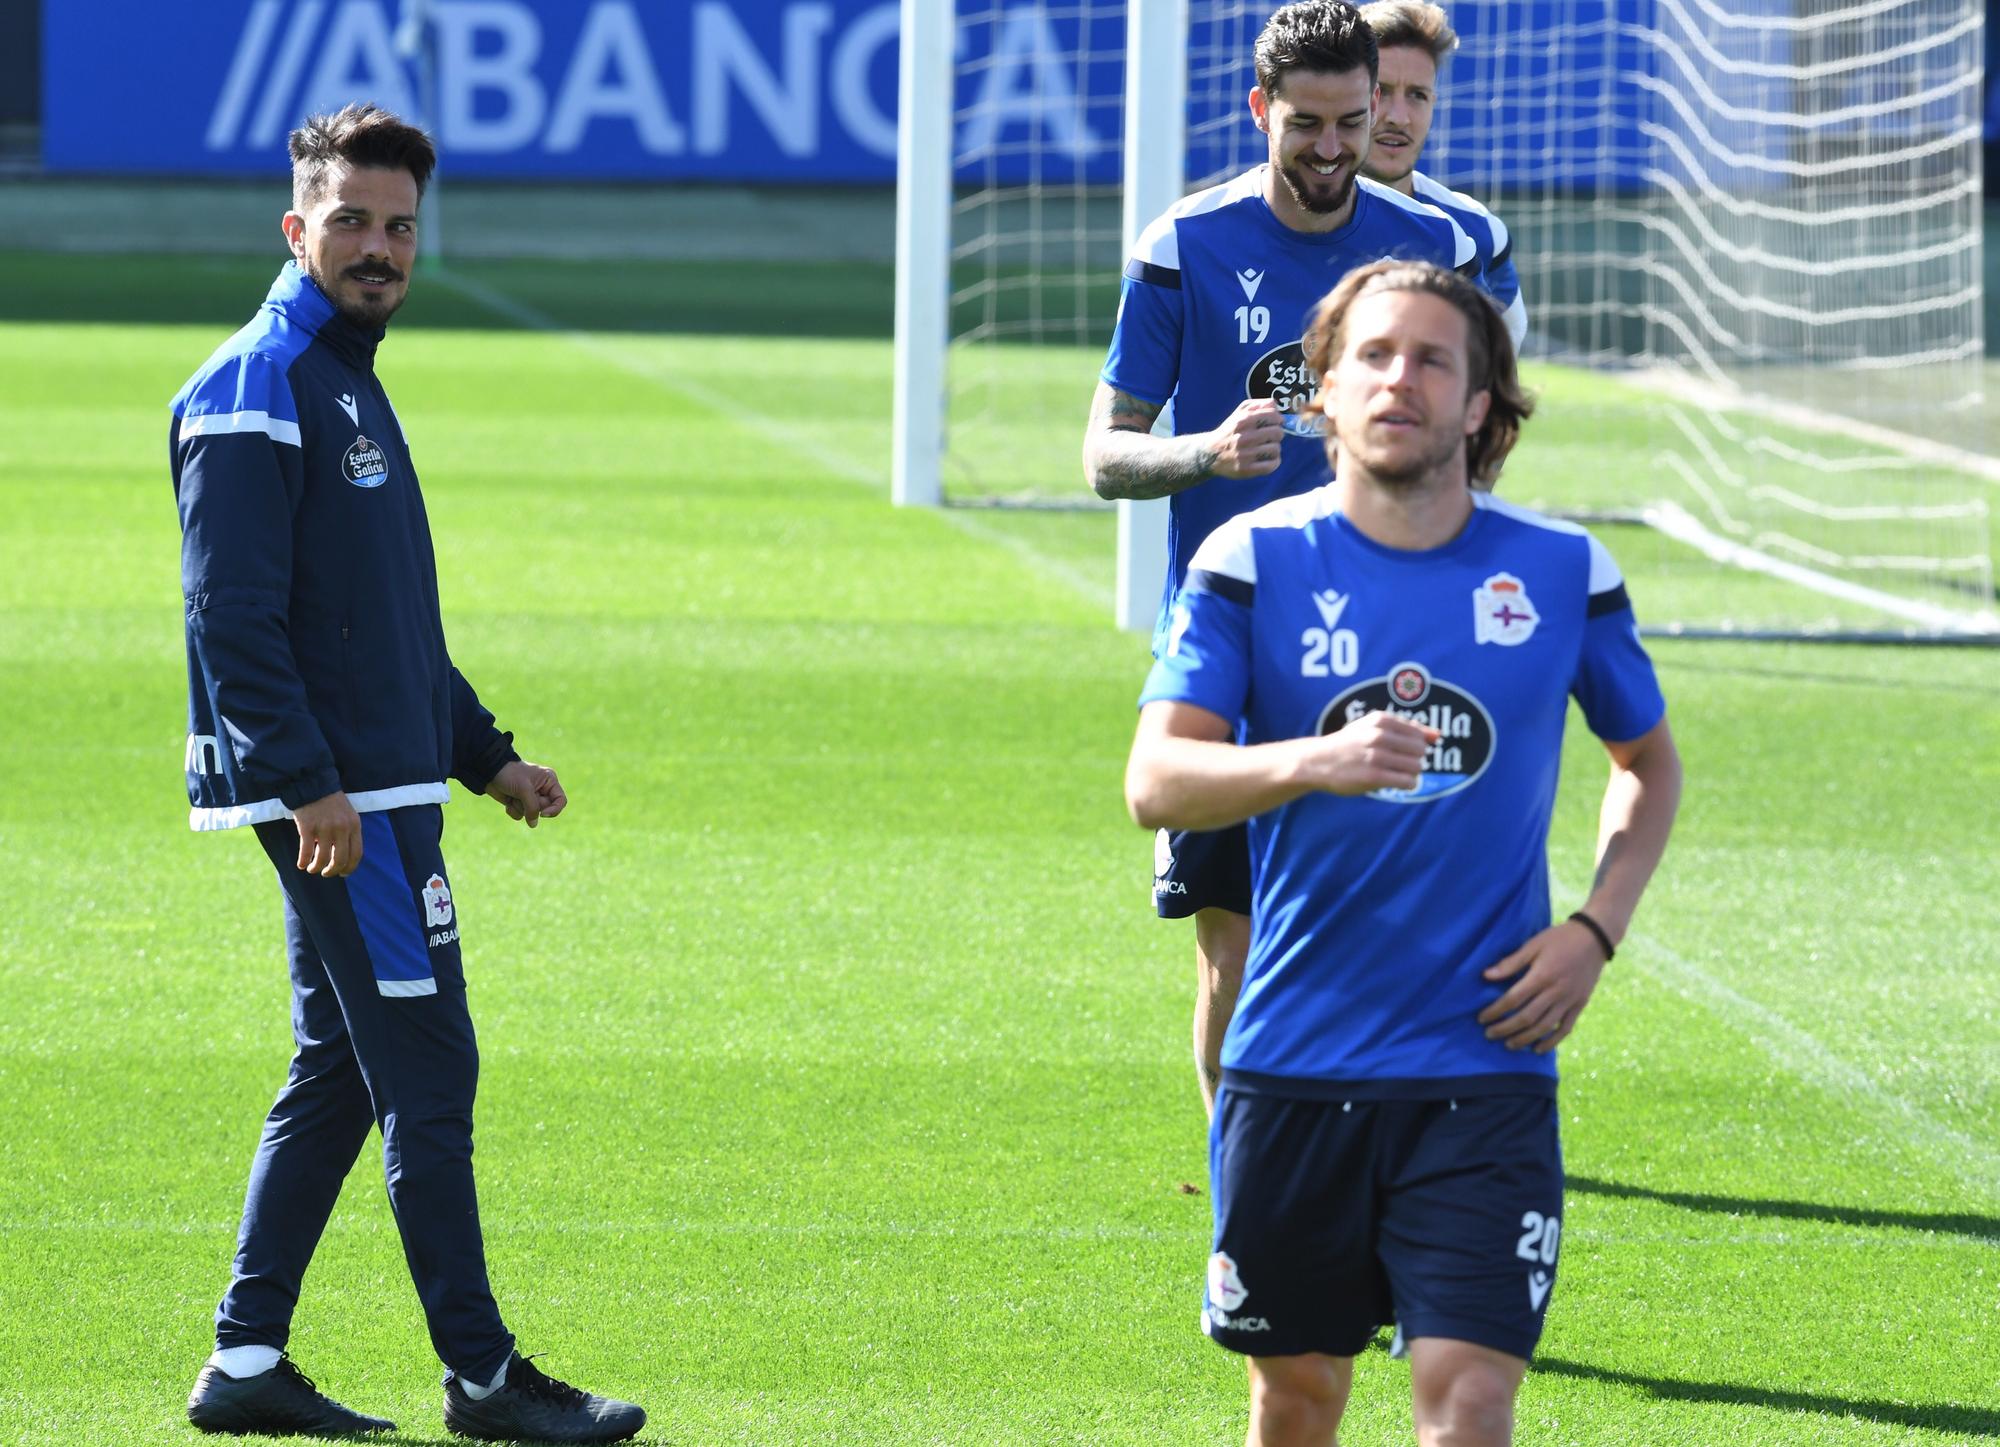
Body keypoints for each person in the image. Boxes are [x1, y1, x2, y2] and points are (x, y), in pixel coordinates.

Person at [1124, 259, 1681, 1447]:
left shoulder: (1560, 570)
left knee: (1469, 1401)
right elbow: (1155, 782)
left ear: (1481, 403)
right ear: (1322, 391)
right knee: (1298, 1396)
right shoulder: (1249, 562)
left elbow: (1646, 763)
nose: (1400, 380)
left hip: (1483, 1066)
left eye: (1435, 359)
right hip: (1293, 1060)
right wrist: (1305, 762)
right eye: (1372, 356)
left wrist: (1593, 932)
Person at [170, 103, 644, 1444]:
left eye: (399, 227)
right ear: (294, 226)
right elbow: (234, 615)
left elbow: (383, 624)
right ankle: (486, 1376)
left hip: (377, 784)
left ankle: (247, 1355)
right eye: (352, 223)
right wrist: (308, 780)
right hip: (349, 810)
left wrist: (485, 754)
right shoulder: (257, 385)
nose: (380, 249)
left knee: (343, 1065)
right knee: (432, 1067)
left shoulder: (342, 375)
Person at [1083, 0, 1481, 1119]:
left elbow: (1474, 434)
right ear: (1259, 108)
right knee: (1234, 957)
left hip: (1388, 639)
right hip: (1228, 649)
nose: (1328, 148)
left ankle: (1379, 1177)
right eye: (1303, 122)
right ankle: (1244, 1202)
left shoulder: (1429, 250)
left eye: (1349, 122)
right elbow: (1103, 453)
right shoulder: (1184, 245)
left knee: (1390, 952)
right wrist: (1203, 451)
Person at [1360, 0, 1528, 357]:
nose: (1399, 117)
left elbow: (1494, 386)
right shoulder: (1287, 218)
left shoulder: (1478, 233)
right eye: (1381, 92)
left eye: (1417, 95)